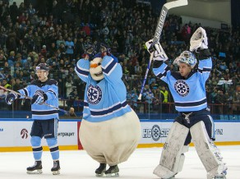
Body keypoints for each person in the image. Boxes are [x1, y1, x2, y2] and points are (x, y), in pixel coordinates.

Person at [147, 27, 227, 179]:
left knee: (205, 146)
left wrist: (202, 49)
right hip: (182, 117)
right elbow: (159, 71)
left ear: (191, 67)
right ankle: (168, 170)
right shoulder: (172, 77)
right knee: (173, 145)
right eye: (180, 66)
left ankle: (218, 170)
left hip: (200, 115)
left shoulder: (199, 76)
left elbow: (206, 63)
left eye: (184, 66)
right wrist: (156, 56)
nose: (181, 69)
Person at [75, 44, 141, 177]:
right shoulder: (89, 79)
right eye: (93, 65)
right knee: (95, 145)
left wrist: (106, 56)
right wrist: (87, 57)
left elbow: (112, 69)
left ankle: (113, 165)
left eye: (98, 65)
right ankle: (101, 163)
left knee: (113, 143)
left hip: (114, 119)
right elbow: (79, 69)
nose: (95, 68)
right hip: (93, 120)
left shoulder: (111, 80)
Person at [5, 63, 61, 175]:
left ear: (47, 72)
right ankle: (38, 163)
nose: (39, 74)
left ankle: (56, 163)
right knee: (34, 140)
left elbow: (51, 94)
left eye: (41, 72)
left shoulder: (52, 83)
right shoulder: (33, 84)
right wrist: (14, 95)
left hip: (50, 117)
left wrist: (42, 95)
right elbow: (24, 92)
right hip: (37, 118)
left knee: (51, 141)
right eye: (38, 72)